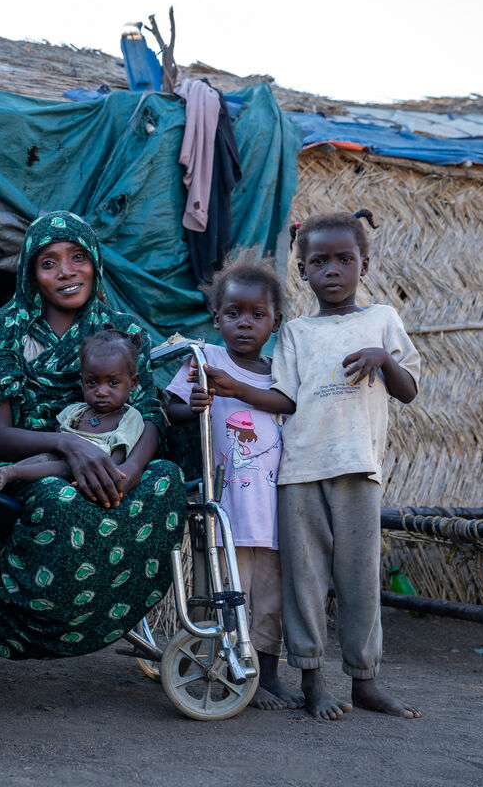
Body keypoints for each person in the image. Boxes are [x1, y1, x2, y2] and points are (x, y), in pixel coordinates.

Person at [201, 209, 421, 720]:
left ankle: (365, 681)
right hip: (298, 474)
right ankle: (314, 681)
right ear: (302, 271)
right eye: (319, 261)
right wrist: (236, 389)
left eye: (345, 259)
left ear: (363, 264)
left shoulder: (383, 320)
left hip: (358, 471)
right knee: (303, 584)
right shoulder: (295, 333)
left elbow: (409, 391)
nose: (333, 270)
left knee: (360, 581)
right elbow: (286, 399)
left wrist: (384, 359)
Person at [0, 210, 186, 659]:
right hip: (32, 469)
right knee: (59, 498)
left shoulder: (123, 331)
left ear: (95, 262)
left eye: (77, 257)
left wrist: (129, 471)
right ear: (31, 273)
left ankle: (113, 612)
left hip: (118, 461)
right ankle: (22, 625)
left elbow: (149, 413)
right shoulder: (1, 331)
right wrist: (69, 445)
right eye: (48, 262)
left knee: (165, 478)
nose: (66, 272)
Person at [164, 256, 304, 711]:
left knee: (269, 602)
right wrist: (196, 404)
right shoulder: (204, 359)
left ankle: (266, 675)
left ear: (275, 321)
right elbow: (169, 409)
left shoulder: (282, 372)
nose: (245, 323)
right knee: (223, 593)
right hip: (226, 510)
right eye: (234, 313)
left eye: (257, 315)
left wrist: (237, 391)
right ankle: (217, 665)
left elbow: (289, 407)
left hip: (275, 511)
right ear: (216, 317)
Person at [0, 326, 145, 492]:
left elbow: (117, 458)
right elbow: (56, 437)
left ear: (133, 383)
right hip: (62, 457)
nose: (101, 392)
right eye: (92, 382)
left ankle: (12, 473)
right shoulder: (75, 411)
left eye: (113, 383)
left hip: (92, 470)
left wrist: (108, 476)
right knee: (44, 457)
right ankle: (4, 474)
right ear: (82, 382)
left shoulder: (130, 417)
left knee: (66, 466)